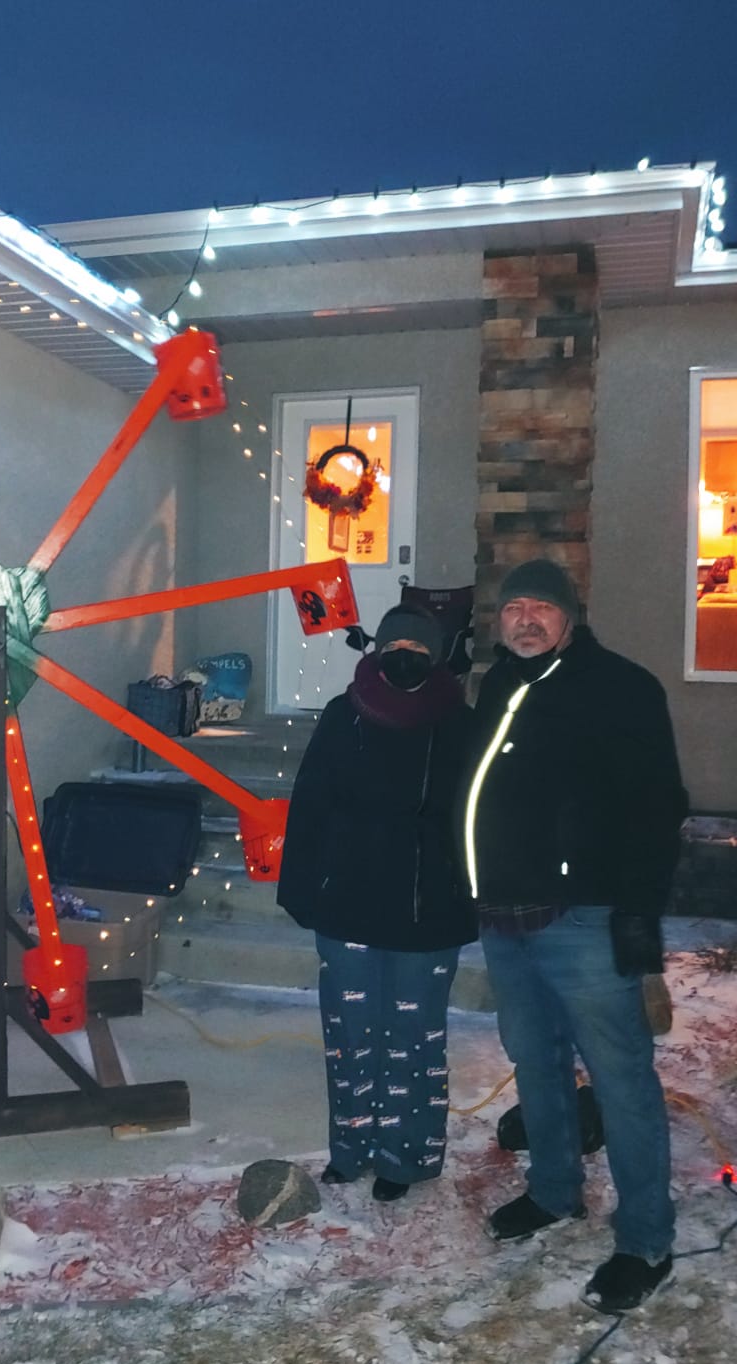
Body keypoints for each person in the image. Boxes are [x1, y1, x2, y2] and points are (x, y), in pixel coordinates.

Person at [462, 558, 687, 1313]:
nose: (525, 619)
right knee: (536, 1062)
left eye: (541, 608)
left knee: (621, 1081)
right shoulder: (498, 685)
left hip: (585, 918)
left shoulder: (620, 689)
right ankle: (555, 1191)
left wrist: (636, 917)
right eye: (513, 608)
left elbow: (658, 810)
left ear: (570, 617)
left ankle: (645, 1239)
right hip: (505, 916)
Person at [277, 602, 476, 1202]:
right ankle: (352, 1148)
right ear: (377, 653)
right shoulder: (346, 716)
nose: (406, 660)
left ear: (437, 660)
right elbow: (310, 802)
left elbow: (474, 816)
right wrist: (306, 890)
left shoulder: (460, 725)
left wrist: (469, 892)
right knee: (352, 1035)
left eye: (420, 653)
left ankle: (406, 1157)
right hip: (350, 907)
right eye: (397, 650)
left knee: (413, 1040)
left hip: (427, 910)